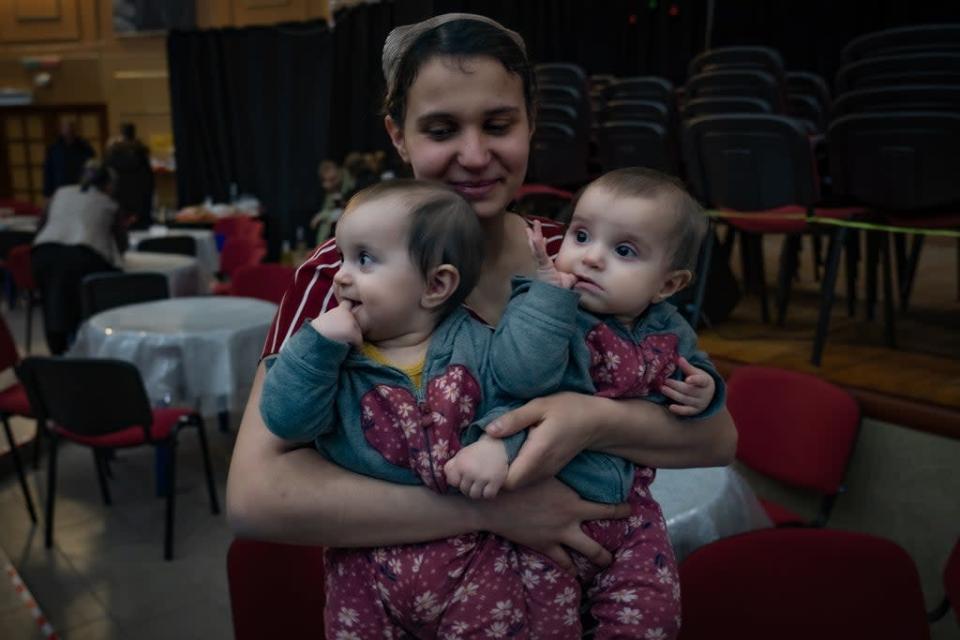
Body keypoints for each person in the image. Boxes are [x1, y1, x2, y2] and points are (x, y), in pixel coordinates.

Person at [226, 11, 736, 637]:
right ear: (398, 135)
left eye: (499, 124)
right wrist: (490, 512)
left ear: (530, 123)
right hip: (426, 603)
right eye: (441, 129)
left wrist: (589, 420)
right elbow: (255, 496)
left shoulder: (580, 259)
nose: (475, 155)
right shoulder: (345, 274)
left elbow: (715, 438)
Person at [446, 167, 724, 636]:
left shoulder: (670, 327)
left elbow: (697, 370)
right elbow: (518, 378)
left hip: (633, 513)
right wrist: (549, 299)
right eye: (581, 235)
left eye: (624, 251)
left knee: (651, 619)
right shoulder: (542, 306)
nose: (591, 257)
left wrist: (708, 390)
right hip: (542, 512)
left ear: (668, 285)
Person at [32, 161, 127, 354]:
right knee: (86, 303)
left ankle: (57, 351)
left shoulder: (60, 193)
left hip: (43, 253)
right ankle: (89, 347)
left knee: (52, 303)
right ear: (109, 185)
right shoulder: (109, 203)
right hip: (84, 255)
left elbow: (41, 226)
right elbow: (121, 244)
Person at [104, 123, 155, 230]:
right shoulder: (140, 152)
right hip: (139, 198)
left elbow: (108, 177)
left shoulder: (113, 153)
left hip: (120, 196)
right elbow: (149, 180)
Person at [42, 121, 95, 198]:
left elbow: (92, 167)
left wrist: (86, 186)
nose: (69, 131)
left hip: (80, 189)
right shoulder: (54, 149)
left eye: (71, 129)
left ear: (75, 130)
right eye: (66, 128)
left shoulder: (84, 147)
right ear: (61, 130)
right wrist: (48, 193)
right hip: (60, 190)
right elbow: (48, 171)